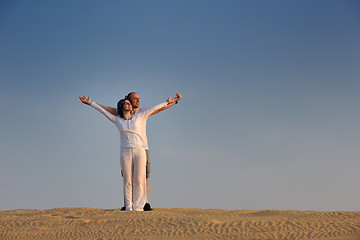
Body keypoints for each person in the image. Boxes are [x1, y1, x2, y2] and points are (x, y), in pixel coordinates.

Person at [79, 94, 180, 211]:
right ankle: (128, 206)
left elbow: (155, 108)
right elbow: (103, 111)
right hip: (125, 152)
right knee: (127, 180)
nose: (130, 105)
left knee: (139, 179)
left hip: (140, 151)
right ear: (122, 107)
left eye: (130, 103)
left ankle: (139, 207)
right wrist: (91, 103)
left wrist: (168, 102)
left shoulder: (140, 116)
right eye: (127, 103)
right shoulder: (117, 120)